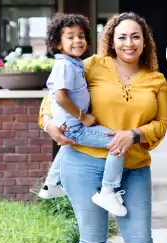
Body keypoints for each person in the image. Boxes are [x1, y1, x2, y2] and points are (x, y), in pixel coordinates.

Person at [40, 12, 167, 243]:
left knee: (140, 241)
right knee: (93, 239)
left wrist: (134, 134)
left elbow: (161, 125)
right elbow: (51, 98)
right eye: (122, 37)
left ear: (145, 42)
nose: (129, 43)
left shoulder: (155, 80)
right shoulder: (91, 65)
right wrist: (50, 126)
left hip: (133, 168)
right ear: (111, 40)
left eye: (135, 36)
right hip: (83, 164)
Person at [38, 13, 127, 217]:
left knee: (67, 146)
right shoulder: (65, 65)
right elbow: (58, 97)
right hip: (75, 125)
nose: (77, 40)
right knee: (117, 142)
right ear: (58, 43)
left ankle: (51, 184)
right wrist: (82, 116)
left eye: (81, 36)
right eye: (70, 37)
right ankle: (107, 190)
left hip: (70, 125)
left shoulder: (75, 63)